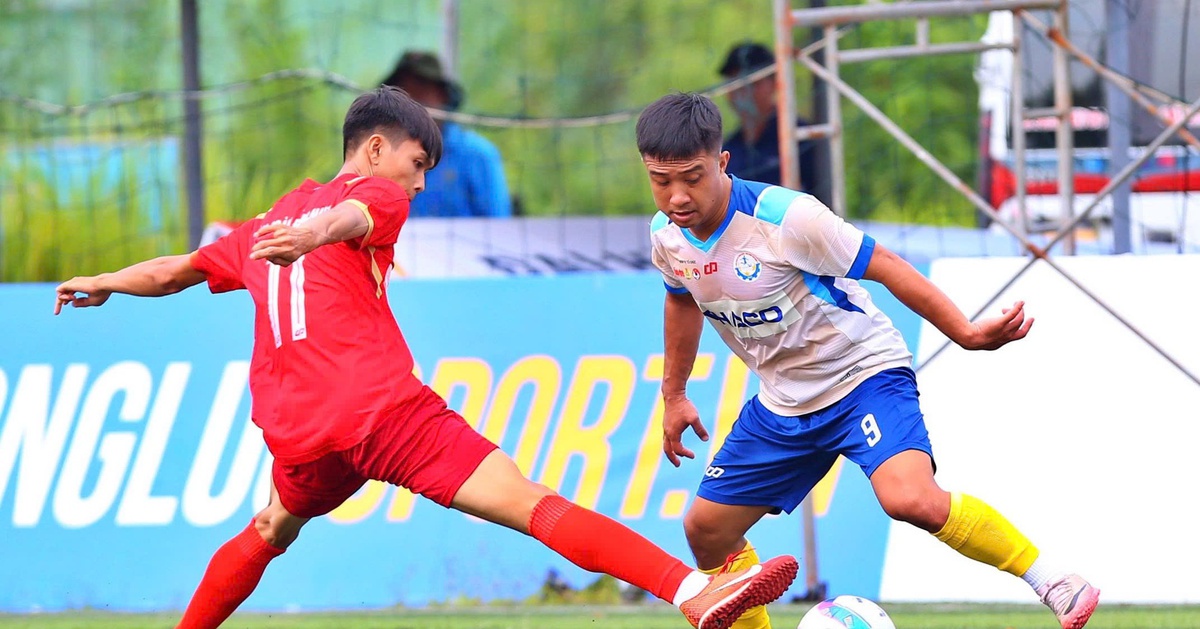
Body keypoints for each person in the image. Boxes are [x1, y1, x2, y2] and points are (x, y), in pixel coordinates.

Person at [53, 86, 799, 629]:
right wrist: (317, 233)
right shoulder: (374, 195)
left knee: (272, 526)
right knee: (530, 502)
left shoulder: (260, 224)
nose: (417, 181)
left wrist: (104, 281)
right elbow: (352, 214)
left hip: (298, 433)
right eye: (416, 162)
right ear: (376, 149)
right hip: (380, 413)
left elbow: (175, 270)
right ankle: (692, 592)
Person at [636, 92, 1100, 629]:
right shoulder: (666, 236)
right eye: (660, 180)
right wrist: (674, 394)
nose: (677, 196)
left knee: (910, 500)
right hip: (784, 402)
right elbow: (680, 301)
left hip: (862, 375)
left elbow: (885, 263)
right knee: (705, 530)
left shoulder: (788, 218)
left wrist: (966, 333)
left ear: (722, 162)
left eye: (692, 177)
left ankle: (1053, 581)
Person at [382, 50, 513, 218]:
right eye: (402, 94)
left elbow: (498, 222)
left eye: (421, 92)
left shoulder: (477, 155)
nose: (411, 104)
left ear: (443, 96)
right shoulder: (383, 157)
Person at [718, 42, 819, 193]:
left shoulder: (802, 136)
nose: (743, 93)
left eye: (753, 83)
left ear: (775, 83)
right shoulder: (728, 147)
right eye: (734, 83)